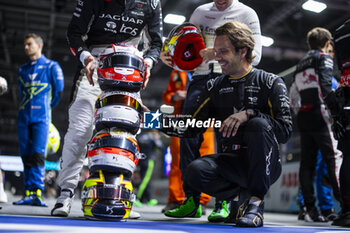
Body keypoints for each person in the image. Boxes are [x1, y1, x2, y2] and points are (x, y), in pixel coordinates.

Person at [162, 21, 292, 227]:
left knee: (257, 124)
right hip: (230, 162)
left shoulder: (271, 82)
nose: (217, 57)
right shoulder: (214, 85)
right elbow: (194, 125)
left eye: (223, 51)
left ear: (243, 51)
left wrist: (249, 114)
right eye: (217, 51)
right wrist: (160, 122)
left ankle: (255, 204)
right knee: (195, 171)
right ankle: (241, 199)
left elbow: (285, 132)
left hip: (265, 163)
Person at [51, 0, 163, 217]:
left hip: (130, 70)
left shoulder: (152, 2)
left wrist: (148, 62)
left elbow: (156, 43)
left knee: (123, 132)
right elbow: (74, 33)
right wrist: (87, 58)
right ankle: (65, 194)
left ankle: (119, 194)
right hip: (93, 69)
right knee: (79, 132)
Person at [160, 0, 262, 221]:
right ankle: (191, 201)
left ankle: (223, 202)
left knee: (226, 138)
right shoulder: (200, 12)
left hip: (230, 80)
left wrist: (216, 53)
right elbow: (186, 49)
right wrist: (170, 57)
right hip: (199, 81)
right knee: (187, 136)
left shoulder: (247, 13)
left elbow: (257, 55)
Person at [292, 27, 342, 222]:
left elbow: (292, 95)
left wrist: (300, 110)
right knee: (334, 159)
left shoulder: (299, 65)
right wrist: (334, 112)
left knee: (307, 165)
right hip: (321, 114)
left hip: (303, 115)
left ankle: (311, 209)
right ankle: (346, 205)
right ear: (327, 43)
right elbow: (326, 85)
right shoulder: (324, 58)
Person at [13, 33, 64, 207]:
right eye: (25, 44)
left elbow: (58, 92)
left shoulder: (52, 66)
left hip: (41, 118)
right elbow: (20, 93)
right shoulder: (22, 69)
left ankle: (36, 193)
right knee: (25, 156)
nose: (26, 47)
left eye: (29, 44)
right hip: (23, 117)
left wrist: (45, 110)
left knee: (37, 156)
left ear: (39, 45)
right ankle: (27, 192)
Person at [161, 70, 214, 214]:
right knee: (177, 161)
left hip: (205, 121)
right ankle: (175, 200)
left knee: (205, 159)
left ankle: (201, 201)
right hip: (180, 118)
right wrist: (174, 97)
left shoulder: (212, 68)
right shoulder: (178, 72)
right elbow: (166, 96)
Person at [331, 18, 350, 227]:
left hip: (345, 94)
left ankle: (346, 209)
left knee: (347, 156)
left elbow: (339, 66)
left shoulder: (340, 29)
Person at [133, 130, 164, 207]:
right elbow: (161, 147)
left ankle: (148, 198)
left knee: (146, 180)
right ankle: (136, 198)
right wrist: (156, 138)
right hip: (149, 161)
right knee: (145, 180)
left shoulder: (140, 137)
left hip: (140, 160)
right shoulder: (152, 138)